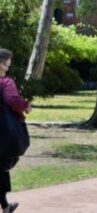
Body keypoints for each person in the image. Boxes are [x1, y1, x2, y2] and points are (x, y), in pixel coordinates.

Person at [0, 49, 30, 213]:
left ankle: (5, 206)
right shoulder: (6, 82)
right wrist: (26, 106)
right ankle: (5, 207)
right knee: (2, 167)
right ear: (2, 64)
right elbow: (12, 100)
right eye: (8, 62)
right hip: (3, 131)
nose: (10, 65)